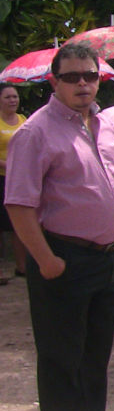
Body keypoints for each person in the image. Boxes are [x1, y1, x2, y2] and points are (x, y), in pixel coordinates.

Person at [4, 43, 114, 411]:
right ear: (54, 82)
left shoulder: (104, 126)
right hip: (62, 262)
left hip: (106, 258)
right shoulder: (36, 133)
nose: (83, 84)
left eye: (90, 76)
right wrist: (45, 260)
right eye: (72, 77)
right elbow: (19, 204)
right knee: (61, 363)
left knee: (94, 356)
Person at [0, 82, 26, 283]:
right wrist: (7, 165)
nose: (12, 100)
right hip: (2, 177)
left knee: (20, 224)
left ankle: (22, 267)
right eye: (8, 97)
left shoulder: (23, 120)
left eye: (15, 96)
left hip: (19, 179)